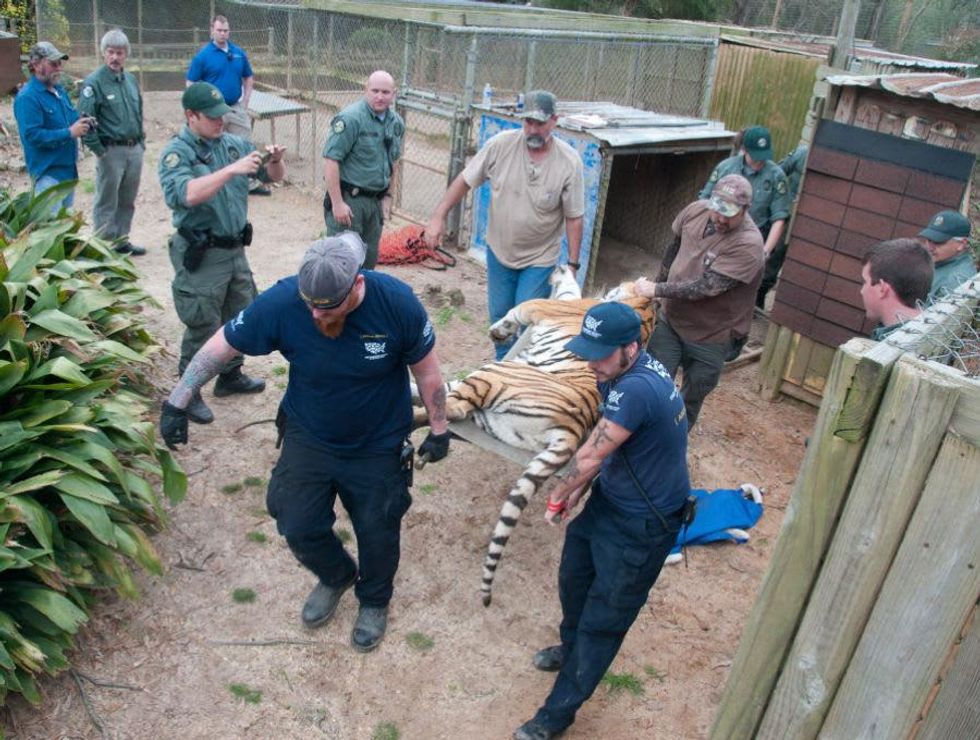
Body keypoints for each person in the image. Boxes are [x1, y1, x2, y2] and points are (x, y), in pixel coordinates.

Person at [159, 234, 453, 653]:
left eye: (325, 306)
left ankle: (373, 600)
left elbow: (427, 373)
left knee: (378, 527)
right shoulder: (285, 301)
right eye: (309, 303)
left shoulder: (396, 303)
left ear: (356, 285)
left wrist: (439, 429)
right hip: (309, 433)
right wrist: (178, 399)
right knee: (294, 518)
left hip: (377, 441)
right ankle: (336, 575)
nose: (314, 313)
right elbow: (221, 344)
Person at [513, 301, 689, 740]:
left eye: (600, 352)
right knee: (574, 580)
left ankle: (556, 715)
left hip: (642, 525)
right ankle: (570, 650)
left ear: (632, 347)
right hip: (610, 502)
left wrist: (557, 492)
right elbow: (602, 440)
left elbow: (592, 453)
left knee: (603, 621)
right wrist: (576, 492)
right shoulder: (617, 373)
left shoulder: (639, 389)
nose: (591, 361)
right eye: (588, 350)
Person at [158, 81, 285, 425]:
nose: (220, 122)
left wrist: (274, 161)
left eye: (223, 116)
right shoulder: (178, 153)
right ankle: (189, 391)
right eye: (212, 118)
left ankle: (230, 375)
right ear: (191, 116)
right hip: (203, 252)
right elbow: (184, 194)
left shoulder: (233, 145)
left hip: (234, 249)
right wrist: (231, 170)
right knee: (202, 322)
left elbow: (273, 177)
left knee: (240, 316)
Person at [425, 90, 585, 360]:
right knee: (500, 318)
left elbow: (575, 216)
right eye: (528, 122)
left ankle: (519, 372)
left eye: (540, 123)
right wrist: (438, 216)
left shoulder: (569, 162)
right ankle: (504, 366)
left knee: (525, 317)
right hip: (500, 251)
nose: (532, 129)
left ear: (554, 121)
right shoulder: (501, 145)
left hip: (539, 258)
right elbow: (465, 180)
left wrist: (572, 265)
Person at [635, 174, 764, 429]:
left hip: (712, 334)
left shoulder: (749, 244)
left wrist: (657, 288)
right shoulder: (695, 211)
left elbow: (707, 287)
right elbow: (673, 248)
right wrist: (659, 294)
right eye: (718, 210)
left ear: (746, 210)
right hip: (672, 320)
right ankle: (640, 431)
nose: (721, 218)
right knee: (653, 381)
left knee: (691, 397)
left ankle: (675, 438)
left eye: (729, 214)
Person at [699, 125, 790, 308]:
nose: (759, 161)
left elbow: (779, 218)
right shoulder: (726, 168)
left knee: (741, 288)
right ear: (744, 150)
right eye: (755, 156)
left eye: (763, 156)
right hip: (719, 231)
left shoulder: (776, 176)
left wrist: (765, 251)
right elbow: (704, 200)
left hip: (752, 238)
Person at [321, 70, 405, 270]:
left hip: (375, 203)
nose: (380, 96)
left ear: (394, 94)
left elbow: (394, 162)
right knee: (342, 264)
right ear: (365, 90)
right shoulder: (350, 119)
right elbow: (331, 161)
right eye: (375, 90)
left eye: (385, 92)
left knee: (368, 263)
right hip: (350, 202)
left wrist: (388, 198)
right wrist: (337, 203)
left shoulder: (396, 124)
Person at [78, 29, 146, 256]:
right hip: (111, 150)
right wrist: (99, 150)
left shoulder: (131, 81)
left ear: (126, 54)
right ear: (103, 53)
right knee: (107, 199)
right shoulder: (94, 83)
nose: (115, 57)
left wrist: (141, 144)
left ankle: (121, 240)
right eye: (111, 52)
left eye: (120, 52)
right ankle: (104, 246)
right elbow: (85, 120)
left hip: (133, 148)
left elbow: (138, 111)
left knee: (128, 199)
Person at [186, 15, 268, 195]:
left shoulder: (238, 53)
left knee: (244, 143)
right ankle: (214, 183)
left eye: (226, 30)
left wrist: (245, 101)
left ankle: (248, 182)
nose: (223, 34)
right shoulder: (203, 56)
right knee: (213, 145)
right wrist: (199, 107)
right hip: (213, 110)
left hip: (236, 107)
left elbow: (248, 77)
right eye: (219, 30)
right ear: (212, 31)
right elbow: (191, 83)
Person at [13, 42, 94, 211]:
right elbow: (32, 135)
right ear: (35, 65)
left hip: (67, 172)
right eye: (53, 63)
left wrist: (84, 121)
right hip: (47, 176)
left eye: (60, 63)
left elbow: (71, 117)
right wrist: (69, 133)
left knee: (65, 232)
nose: (58, 68)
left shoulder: (59, 90)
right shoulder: (27, 97)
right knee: (51, 232)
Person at [756, 141, 809, 308]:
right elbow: (777, 172)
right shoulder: (803, 153)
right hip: (787, 215)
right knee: (774, 255)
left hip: (808, 220)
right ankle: (759, 296)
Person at [860, 238, 933, 341]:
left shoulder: (889, 347)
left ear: (882, 288)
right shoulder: (929, 327)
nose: (862, 291)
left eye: (865, 282)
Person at [918, 209, 975, 302]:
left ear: (961, 244)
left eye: (938, 242)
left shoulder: (957, 280)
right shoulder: (940, 261)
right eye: (928, 239)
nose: (929, 247)